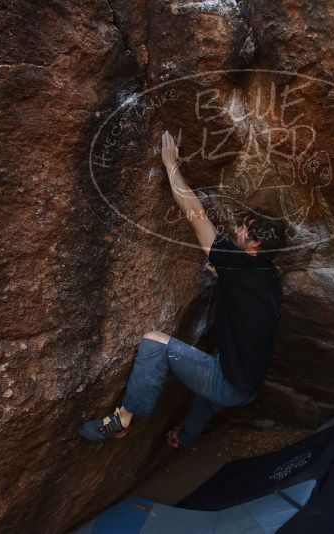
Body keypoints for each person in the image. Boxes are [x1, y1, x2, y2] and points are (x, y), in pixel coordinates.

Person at [79, 130, 286, 448]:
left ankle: (122, 420)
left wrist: (170, 164)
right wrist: (221, 273)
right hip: (249, 383)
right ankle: (182, 438)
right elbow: (241, 289)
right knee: (207, 399)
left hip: (228, 381)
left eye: (245, 229)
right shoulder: (269, 275)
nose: (237, 229)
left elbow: (196, 214)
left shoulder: (239, 266)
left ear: (255, 244)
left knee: (155, 344)